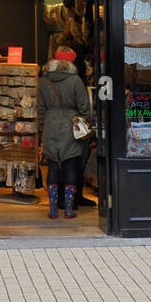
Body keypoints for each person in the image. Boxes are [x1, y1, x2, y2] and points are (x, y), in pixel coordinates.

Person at [38, 48, 94, 219]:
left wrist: (43, 127)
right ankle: (69, 209)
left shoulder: (44, 81)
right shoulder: (75, 81)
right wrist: (85, 122)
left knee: (53, 165)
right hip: (70, 126)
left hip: (50, 125)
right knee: (70, 166)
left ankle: (53, 209)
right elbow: (85, 106)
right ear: (71, 63)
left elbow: (39, 108)